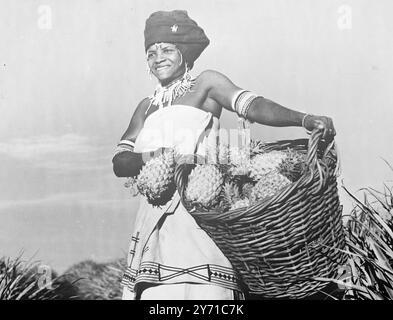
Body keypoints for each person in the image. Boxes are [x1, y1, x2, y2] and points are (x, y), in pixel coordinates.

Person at [112, 10, 336, 300]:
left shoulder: (205, 84)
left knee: (204, 295)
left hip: (197, 207)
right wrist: (157, 157)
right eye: (151, 53)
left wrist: (303, 119)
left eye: (167, 49)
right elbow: (120, 162)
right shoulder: (145, 107)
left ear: (184, 54)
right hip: (151, 221)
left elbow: (252, 105)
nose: (158, 58)